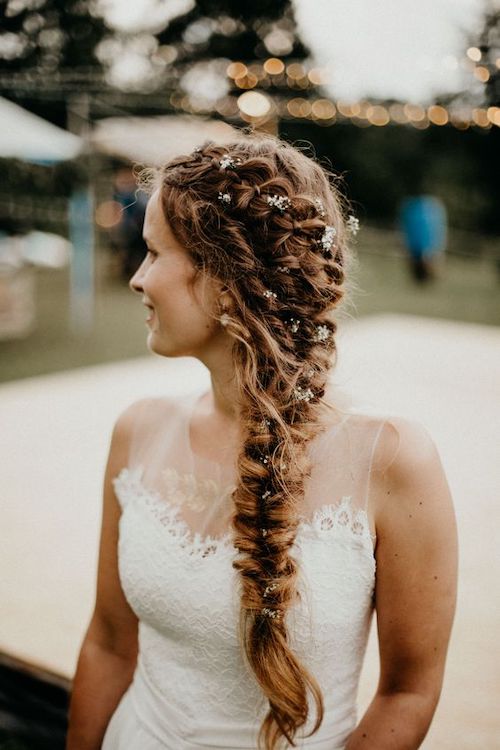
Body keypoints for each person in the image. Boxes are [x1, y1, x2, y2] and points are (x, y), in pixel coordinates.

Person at [66, 134, 458, 750]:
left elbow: (409, 691)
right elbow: (109, 643)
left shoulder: (392, 459)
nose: (138, 280)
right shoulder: (137, 431)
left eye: (153, 255)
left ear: (225, 281)